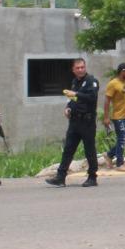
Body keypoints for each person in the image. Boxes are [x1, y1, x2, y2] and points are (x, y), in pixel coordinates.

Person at [46, 58, 100, 187]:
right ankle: (60, 177)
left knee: (89, 150)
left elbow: (92, 98)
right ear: (73, 70)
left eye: (82, 67)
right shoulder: (75, 82)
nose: (80, 70)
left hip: (87, 121)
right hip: (75, 121)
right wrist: (68, 107)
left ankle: (92, 177)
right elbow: (73, 99)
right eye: (78, 68)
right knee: (68, 149)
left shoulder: (91, 82)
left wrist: (76, 93)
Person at [103, 62, 125, 169]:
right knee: (122, 138)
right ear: (123, 71)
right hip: (118, 116)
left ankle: (109, 154)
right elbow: (107, 101)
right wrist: (106, 117)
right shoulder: (113, 83)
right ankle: (120, 163)